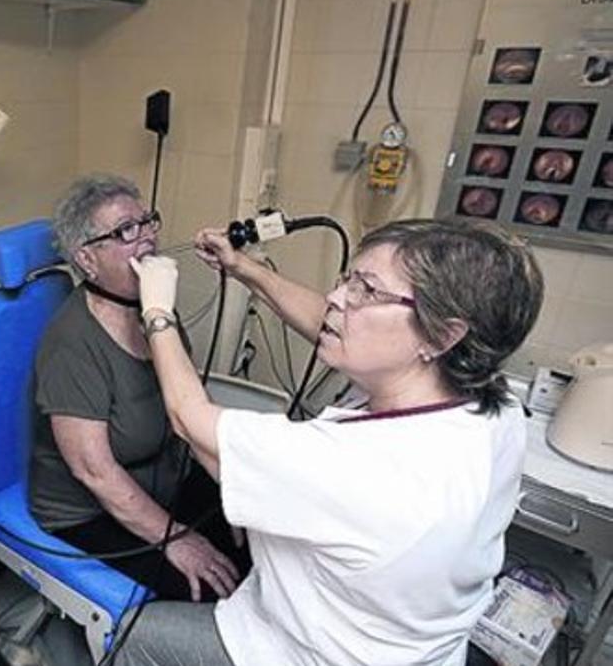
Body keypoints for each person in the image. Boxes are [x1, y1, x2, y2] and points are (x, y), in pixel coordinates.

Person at [119, 218, 544, 665]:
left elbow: (189, 419)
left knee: (134, 637)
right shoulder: (496, 408)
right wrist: (245, 269)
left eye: (367, 290)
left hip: (314, 654)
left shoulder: (358, 466)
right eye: (349, 281)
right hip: (420, 648)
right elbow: (331, 326)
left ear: (441, 334)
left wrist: (158, 312)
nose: (337, 298)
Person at [29, 174, 248, 603]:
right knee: (209, 590)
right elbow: (95, 472)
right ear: (87, 259)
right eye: (127, 231)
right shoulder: (71, 345)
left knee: (261, 542)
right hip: (91, 510)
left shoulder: (154, 311)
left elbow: (188, 413)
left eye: (148, 222)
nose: (147, 238)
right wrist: (176, 538)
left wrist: (233, 487)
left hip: (162, 478)